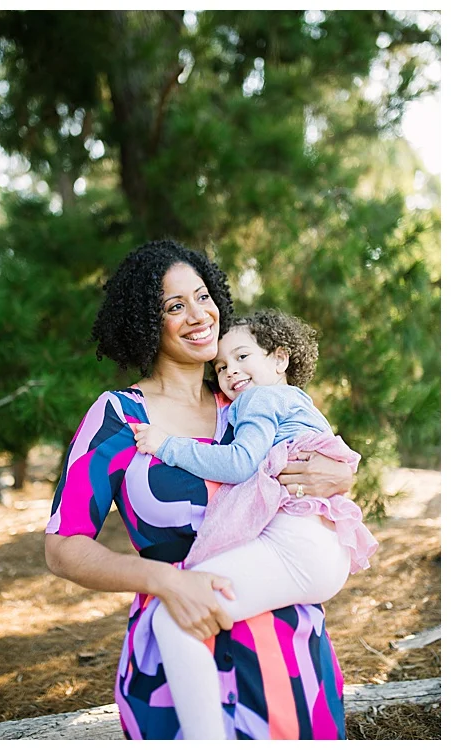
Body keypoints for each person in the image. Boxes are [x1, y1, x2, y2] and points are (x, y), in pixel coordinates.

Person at [44, 240, 358, 740]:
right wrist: (165, 581)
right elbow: (63, 547)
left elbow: (318, 466)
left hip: (290, 664)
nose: (198, 314)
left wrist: (340, 474)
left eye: (202, 295)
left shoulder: (247, 397)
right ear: (146, 324)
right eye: (174, 306)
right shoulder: (118, 418)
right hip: (178, 658)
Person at [129, 308, 377, 739]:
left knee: (172, 618)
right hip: (318, 547)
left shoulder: (260, 399)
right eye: (222, 365)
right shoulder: (295, 402)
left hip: (297, 546)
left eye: (243, 356)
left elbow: (241, 463)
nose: (231, 371)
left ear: (280, 359)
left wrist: (167, 444)